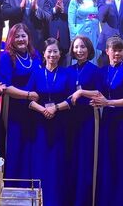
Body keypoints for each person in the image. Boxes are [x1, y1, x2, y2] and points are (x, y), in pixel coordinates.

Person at [24, 38, 73, 206]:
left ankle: (57, 200)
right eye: (49, 51)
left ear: (60, 54)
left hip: (60, 124)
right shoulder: (36, 73)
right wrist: (43, 110)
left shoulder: (66, 73)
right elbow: (28, 99)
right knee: (40, 161)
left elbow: (71, 100)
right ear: (44, 54)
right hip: (40, 125)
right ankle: (39, 200)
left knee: (58, 164)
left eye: (55, 51)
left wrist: (55, 108)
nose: (52, 54)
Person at [92, 37, 123, 206]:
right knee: (106, 159)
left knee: (120, 160)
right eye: (114, 50)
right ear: (107, 51)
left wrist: (108, 102)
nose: (117, 53)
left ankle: (119, 199)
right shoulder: (102, 71)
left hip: (122, 121)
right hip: (106, 120)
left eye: (120, 50)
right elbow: (96, 93)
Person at [0, 23, 42, 182]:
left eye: (23, 36)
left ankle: (30, 184)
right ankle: (14, 186)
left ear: (28, 37)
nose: (20, 39)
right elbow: (6, 87)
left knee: (32, 147)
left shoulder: (35, 55)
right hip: (15, 108)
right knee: (16, 147)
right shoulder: (6, 57)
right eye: (16, 36)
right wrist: (28, 95)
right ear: (11, 38)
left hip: (34, 108)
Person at [68, 35, 102, 206]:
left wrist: (81, 92)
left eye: (82, 47)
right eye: (76, 47)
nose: (79, 50)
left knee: (85, 159)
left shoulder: (95, 70)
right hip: (70, 119)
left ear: (89, 49)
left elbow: (99, 93)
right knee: (72, 158)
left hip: (88, 118)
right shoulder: (69, 70)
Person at [42, 0, 75, 65]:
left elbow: (75, 15)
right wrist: (54, 9)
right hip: (49, 38)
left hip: (66, 39)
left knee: (65, 67)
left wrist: (64, 10)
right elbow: (43, 13)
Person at [68, 0, 101, 64]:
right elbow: (71, 23)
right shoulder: (75, 0)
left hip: (94, 35)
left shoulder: (99, 0)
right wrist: (74, 40)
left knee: (93, 64)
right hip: (80, 35)